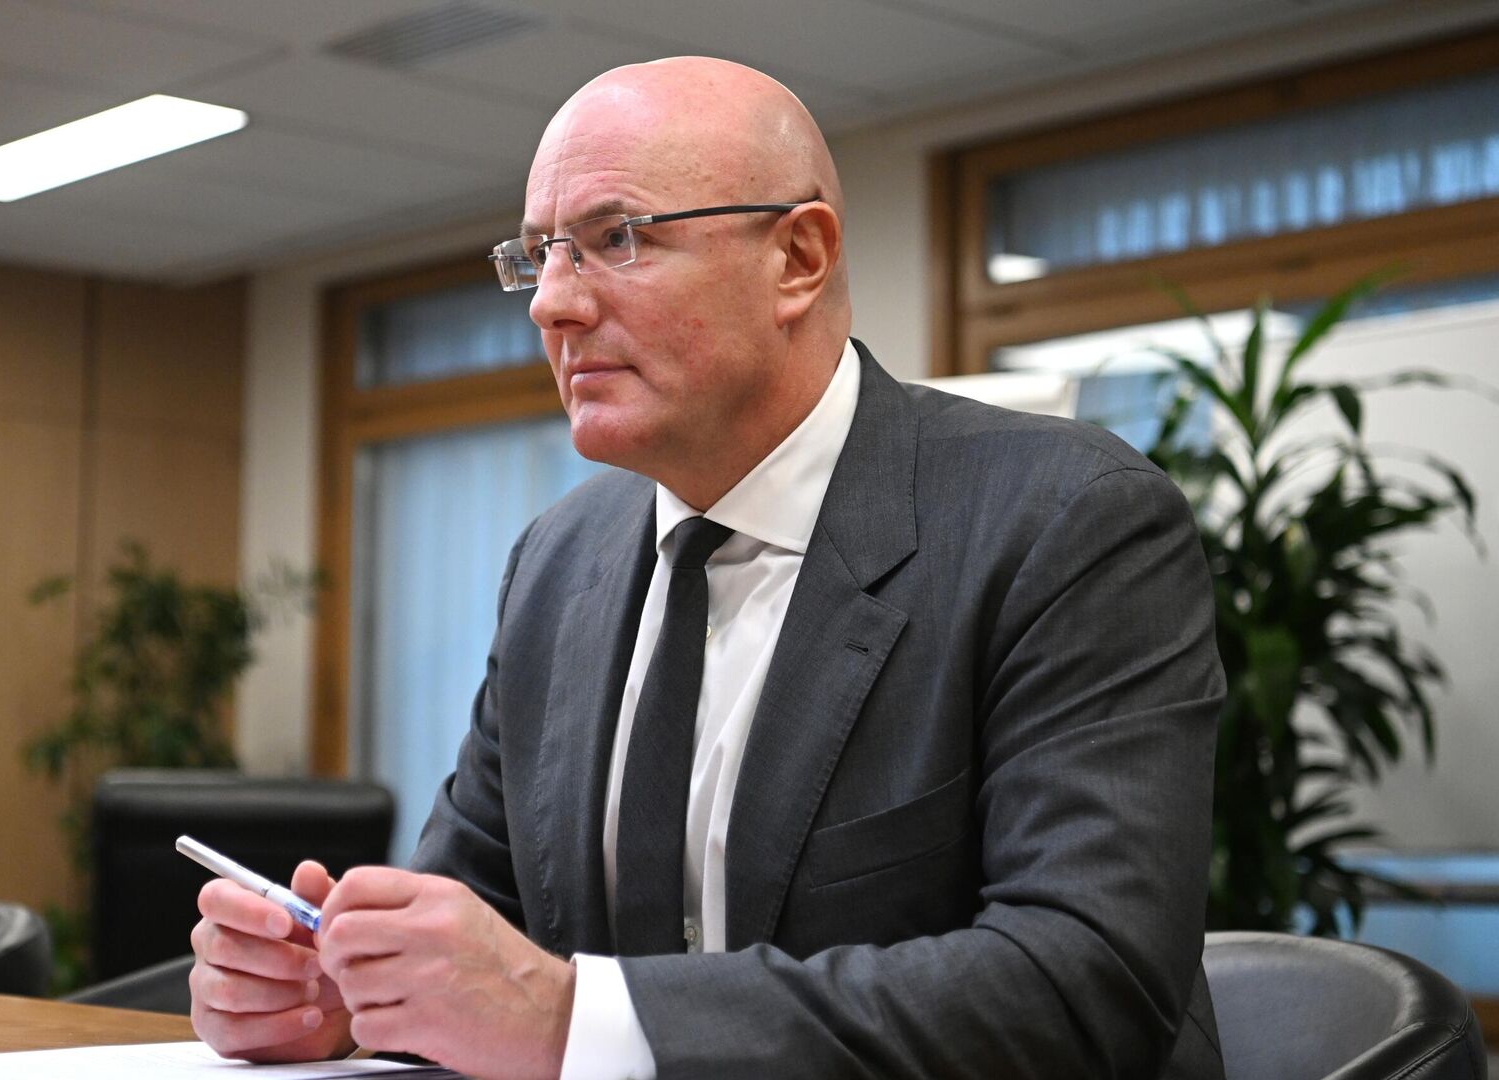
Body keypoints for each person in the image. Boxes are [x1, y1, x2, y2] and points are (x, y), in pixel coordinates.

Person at [189, 56, 1225, 1079]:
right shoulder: (556, 564)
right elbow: (481, 929)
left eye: (616, 239)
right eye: (541, 255)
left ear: (798, 258)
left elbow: (1087, 985)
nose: (551, 304)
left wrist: (568, 1020)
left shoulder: (1064, 522)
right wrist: (351, 996)